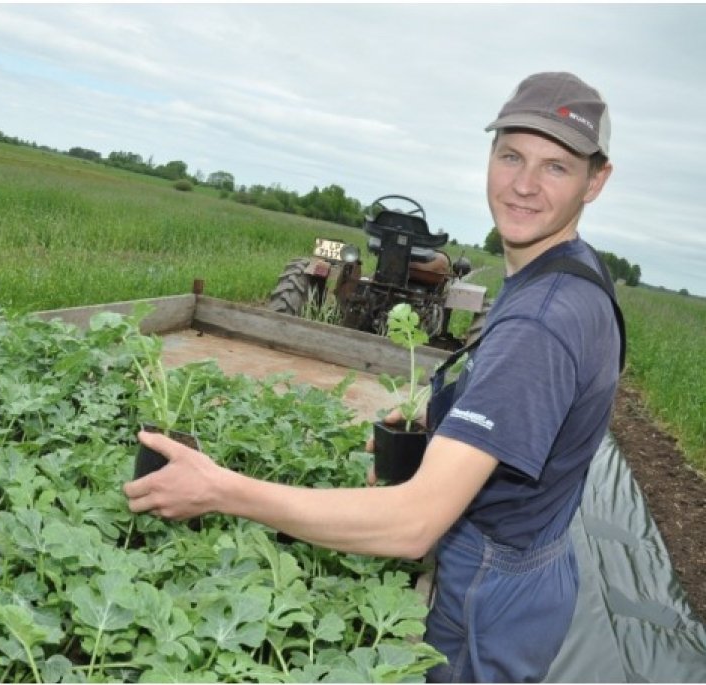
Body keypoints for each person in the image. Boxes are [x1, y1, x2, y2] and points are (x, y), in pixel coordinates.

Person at [124, 72, 622, 683]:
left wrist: (222, 489)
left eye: (556, 167)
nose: (523, 185)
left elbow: (414, 524)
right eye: (511, 155)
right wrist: (438, 420)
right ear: (489, 156)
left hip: (490, 594)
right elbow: (528, 407)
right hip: (523, 564)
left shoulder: (541, 324)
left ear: (596, 180)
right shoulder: (568, 276)